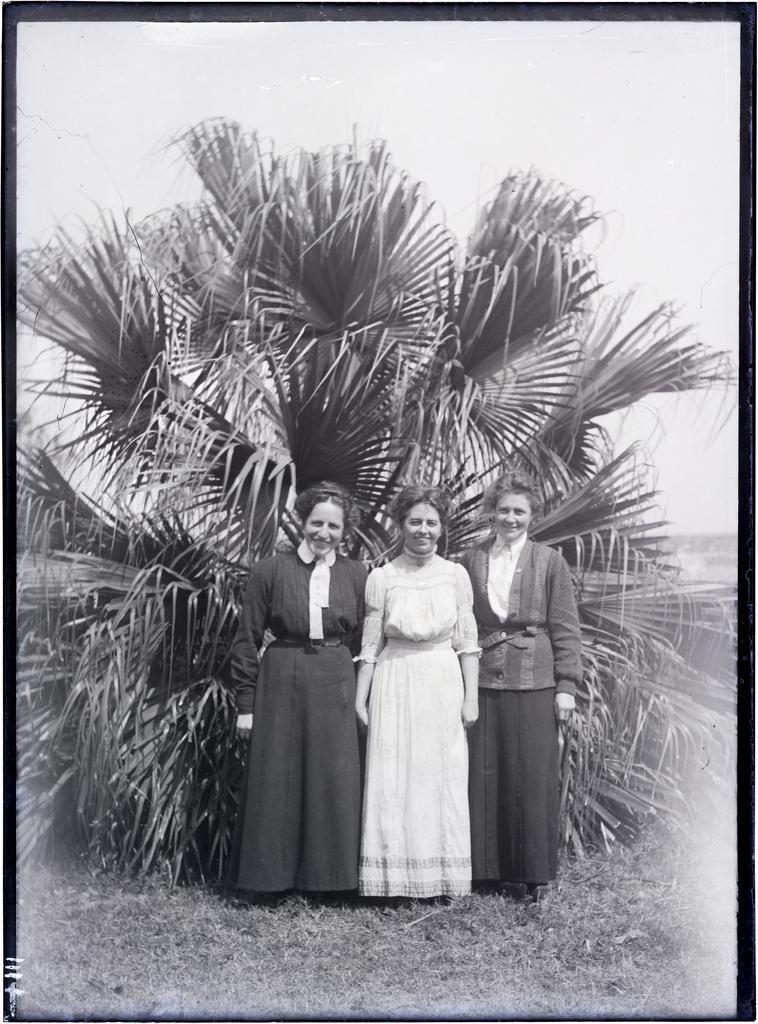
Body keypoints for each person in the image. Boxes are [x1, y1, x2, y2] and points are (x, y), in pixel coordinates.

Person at [230, 482, 367, 893]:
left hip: (337, 674)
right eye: (317, 523)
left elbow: (365, 642)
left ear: (345, 531)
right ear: (302, 522)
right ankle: (270, 878)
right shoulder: (269, 571)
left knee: (334, 775)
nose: (324, 533)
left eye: (334, 526)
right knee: (278, 773)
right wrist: (245, 705)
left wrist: (361, 694)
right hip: (282, 675)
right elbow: (246, 639)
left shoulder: (358, 574)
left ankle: (330, 881)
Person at [460, 471, 583, 900]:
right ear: (491, 512)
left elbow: (566, 627)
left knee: (530, 775)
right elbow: (463, 621)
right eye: (503, 510)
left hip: (536, 678)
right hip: (483, 676)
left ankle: (533, 875)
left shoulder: (550, 561)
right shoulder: (471, 559)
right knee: (485, 772)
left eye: (519, 511)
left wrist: (566, 684)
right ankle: (486, 871)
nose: (510, 518)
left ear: (532, 515)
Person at [355, 485, 480, 899]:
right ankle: (392, 881)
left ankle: (443, 877)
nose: (423, 530)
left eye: (431, 522)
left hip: (442, 678)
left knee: (441, 774)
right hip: (395, 679)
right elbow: (370, 646)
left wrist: (471, 696)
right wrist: (361, 698)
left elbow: (467, 643)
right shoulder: (382, 577)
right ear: (400, 525)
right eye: (415, 522)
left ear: (442, 527)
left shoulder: (455, 575)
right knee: (395, 775)